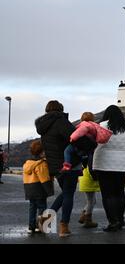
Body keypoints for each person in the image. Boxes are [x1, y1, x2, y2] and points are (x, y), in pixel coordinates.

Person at [35, 100, 78, 237]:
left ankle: (45, 219)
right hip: (68, 163)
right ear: (60, 109)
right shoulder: (61, 121)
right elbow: (74, 138)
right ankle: (64, 226)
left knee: (66, 192)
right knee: (69, 194)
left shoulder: (43, 126)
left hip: (54, 165)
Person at [93, 105, 125, 232]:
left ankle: (113, 221)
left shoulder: (102, 125)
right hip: (122, 164)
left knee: (108, 194)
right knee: (120, 193)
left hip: (104, 163)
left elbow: (95, 142)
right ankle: (120, 220)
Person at [23, 140, 54, 234]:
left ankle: (31, 226)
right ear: (41, 152)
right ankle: (40, 226)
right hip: (39, 188)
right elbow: (44, 178)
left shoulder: (27, 164)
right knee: (42, 207)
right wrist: (49, 190)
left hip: (29, 189)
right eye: (44, 151)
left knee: (32, 207)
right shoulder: (41, 164)